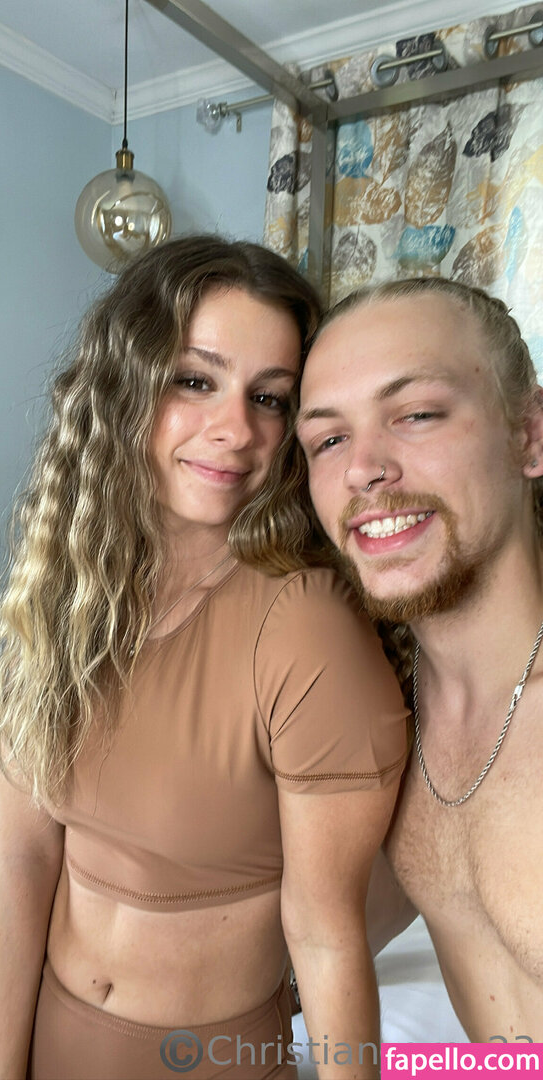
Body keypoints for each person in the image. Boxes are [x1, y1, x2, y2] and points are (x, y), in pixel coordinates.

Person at [0, 235, 408, 1080]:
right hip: (35, 1012)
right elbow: (23, 868)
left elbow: (326, 938)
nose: (236, 430)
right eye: (196, 380)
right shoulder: (68, 587)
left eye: (270, 398)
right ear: (126, 386)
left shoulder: (302, 625)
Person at [296, 275, 543, 1043]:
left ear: (530, 436)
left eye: (416, 415)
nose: (364, 468)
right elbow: (322, 939)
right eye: (329, 439)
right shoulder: (390, 717)